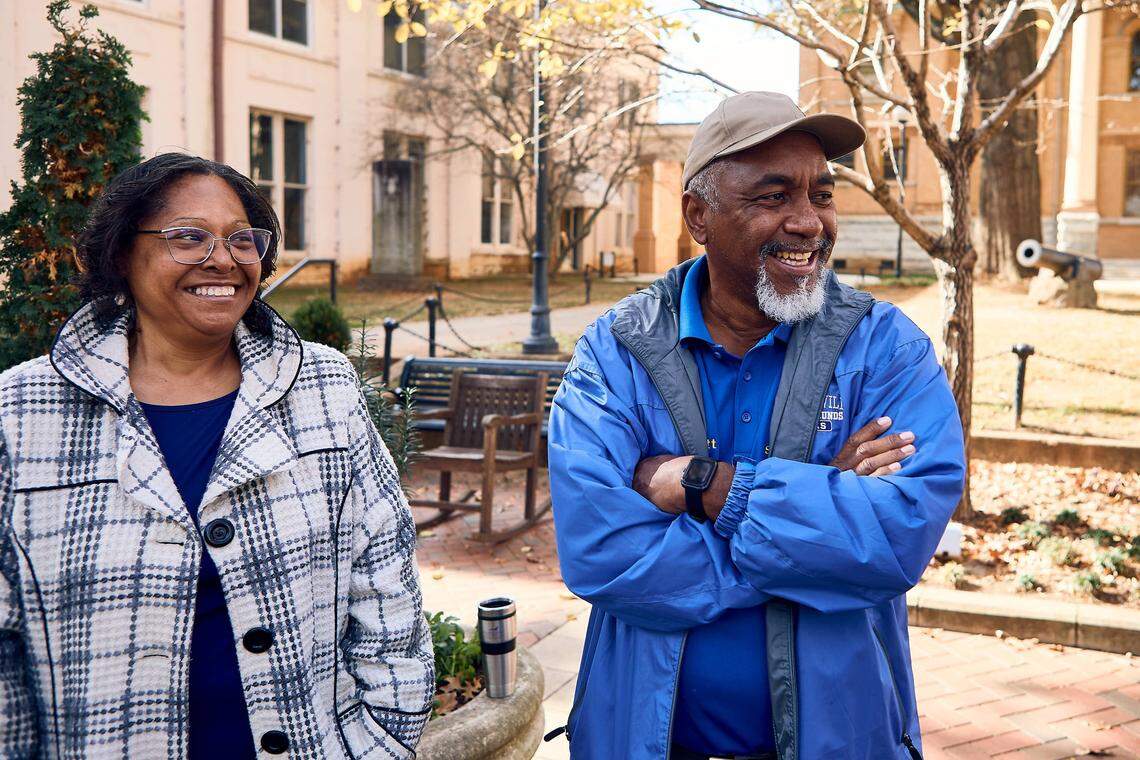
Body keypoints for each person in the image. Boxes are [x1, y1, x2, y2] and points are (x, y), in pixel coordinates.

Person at [548, 92, 966, 760]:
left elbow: (896, 537)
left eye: (822, 195)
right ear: (699, 215)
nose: (808, 222)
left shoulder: (883, 348)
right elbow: (601, 551)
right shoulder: (617, 352)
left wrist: (710, 489)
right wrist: (820, 506)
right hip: (641, 741)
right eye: (774, 196)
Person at [0, 153, 434, 758]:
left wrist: (383, 740)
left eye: (241, 240)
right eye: (188, 236)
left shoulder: (324, 387)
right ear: (123, 254)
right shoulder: (21, 413)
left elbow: (387, 583)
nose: (223, 259)